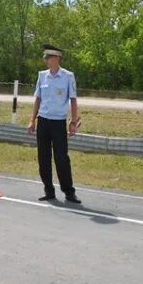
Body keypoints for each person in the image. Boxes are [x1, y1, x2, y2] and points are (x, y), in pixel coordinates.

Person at [26, 43, 81, 204]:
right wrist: (32, 120)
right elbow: (38, 99)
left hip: (58, 122)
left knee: (61, 158)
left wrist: (73, 121)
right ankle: (48, 190)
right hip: (43, 121)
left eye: (48, 57)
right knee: (43, 157)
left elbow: (73, 100)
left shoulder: (68, 76)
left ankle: (69, 192)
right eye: (45, 57)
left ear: (57, 58)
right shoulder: (42, 75)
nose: (46, 60)